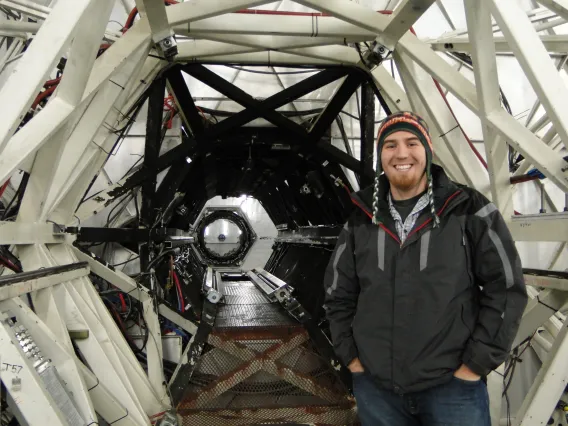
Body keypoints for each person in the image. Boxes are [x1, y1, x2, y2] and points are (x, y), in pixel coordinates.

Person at [324, 111, 528, 426]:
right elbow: (338, 293)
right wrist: (351, 358)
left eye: (412, 142)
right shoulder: (361, 218)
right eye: (390, 145)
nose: (401, 153)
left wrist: (474, 366)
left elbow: (507, 289)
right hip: (377, 388)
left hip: (453, 387)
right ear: (381, 156)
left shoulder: (469, 209)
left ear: (428, 149)